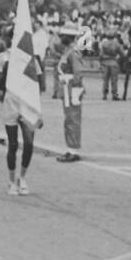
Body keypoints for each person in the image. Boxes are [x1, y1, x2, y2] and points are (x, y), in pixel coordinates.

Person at [1, 35, 43, 196]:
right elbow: (1, 82)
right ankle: (11, 180)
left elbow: (38, 84)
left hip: (28, 105)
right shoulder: (7, 58)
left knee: (29, 143)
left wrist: (37, 110)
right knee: (12, 144)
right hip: (11, 103)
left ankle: (22, 177)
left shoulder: (33, 60)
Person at [55, 26, 85, 162]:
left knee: (73, 119)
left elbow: (78, 72)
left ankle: (73, 150)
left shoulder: (74, 52)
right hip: (67, 87)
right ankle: (70, 148)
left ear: (69, 36)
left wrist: (74, 87)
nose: (61, 38)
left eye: (63, 36)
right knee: (69, 119)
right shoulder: (68, 51)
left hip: (72, 88)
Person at [101, 30, 122, 101]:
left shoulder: (104, 44)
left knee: (105, 80)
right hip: (113, 62)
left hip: (105, 63)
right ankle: (114, 95)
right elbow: (123, 54)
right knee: (114, 80)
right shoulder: (117, 44)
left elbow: (100, 55)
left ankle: (104, 94)